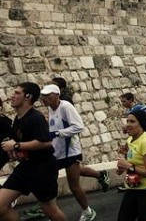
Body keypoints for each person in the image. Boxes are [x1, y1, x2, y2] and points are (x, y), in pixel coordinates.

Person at [0, 82, 66, 221]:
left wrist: (16, 146)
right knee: (1, 206)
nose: (12, 96)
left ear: (28, 97)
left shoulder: (35, 117)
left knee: (49, 209)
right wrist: (15, 152)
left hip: (43, 168)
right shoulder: (17, 119)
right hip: (26, 168)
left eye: (17, 93)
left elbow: (46, 142)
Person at [39, 84, 97, 221]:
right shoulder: (50, 108)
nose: (44, 98)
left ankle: (88, 211)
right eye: (43, 96)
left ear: (57, 95)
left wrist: (58, 133)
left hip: (71, 151)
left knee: (74, 185)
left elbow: (78, 126)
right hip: (56, 152)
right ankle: (53, 213)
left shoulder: (66, 106)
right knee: (49, 183)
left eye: (48, 95)